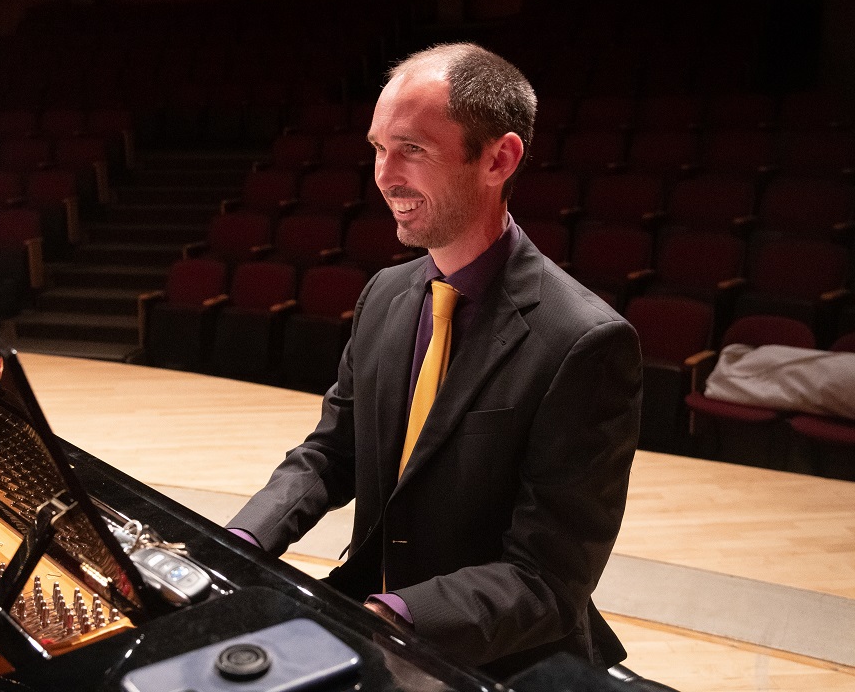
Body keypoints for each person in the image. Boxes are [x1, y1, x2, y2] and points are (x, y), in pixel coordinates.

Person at [227, 43, 642, 679]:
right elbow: (331, 454)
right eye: (376, 148)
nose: (384, 175)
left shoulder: (584, 342)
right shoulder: (386, 295)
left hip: (494, 656)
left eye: (412, 149)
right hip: (374, 612)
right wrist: (243, 541)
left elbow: (546, 580)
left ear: (498, 159)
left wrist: (393, 616)